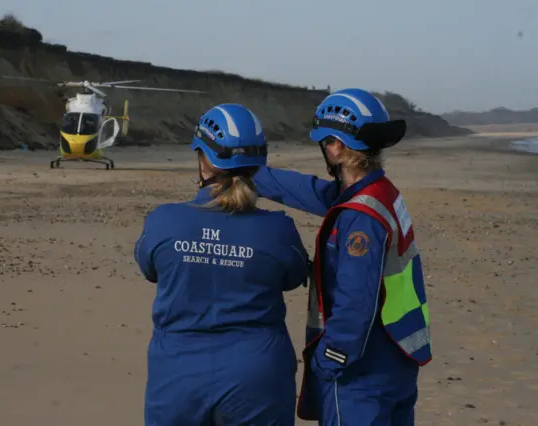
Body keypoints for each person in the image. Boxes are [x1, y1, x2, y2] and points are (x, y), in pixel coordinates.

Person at [253, 88, 433, 426]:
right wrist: (253, 174)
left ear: (336, 146)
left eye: (324, 142)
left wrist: (329, 360)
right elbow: (313, 191)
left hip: (361, 372)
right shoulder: (380, 192)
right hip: (399, 358)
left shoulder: (360, 217)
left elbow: (355, 301)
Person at [134, 103, 310, 426]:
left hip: (178, 375)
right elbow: (295, 274)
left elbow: (149, 268)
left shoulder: (163, 222)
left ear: (204, 161)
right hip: (257, 374)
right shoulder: (279, 230)